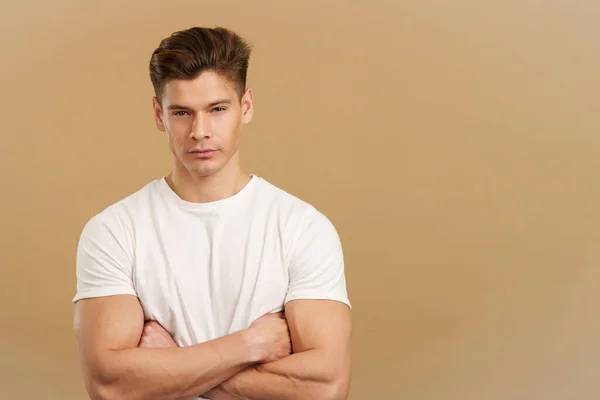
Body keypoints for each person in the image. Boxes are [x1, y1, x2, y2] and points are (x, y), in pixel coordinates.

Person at [72, 26, 352, 400]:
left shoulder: (302, 228)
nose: (200, 131)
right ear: (159, 115)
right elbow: (111, 387)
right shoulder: (114, 231)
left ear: (246, 107)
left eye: (217, 109)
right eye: (182, 112)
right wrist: (249, 345)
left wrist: (172, 363)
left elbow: (326, 389)